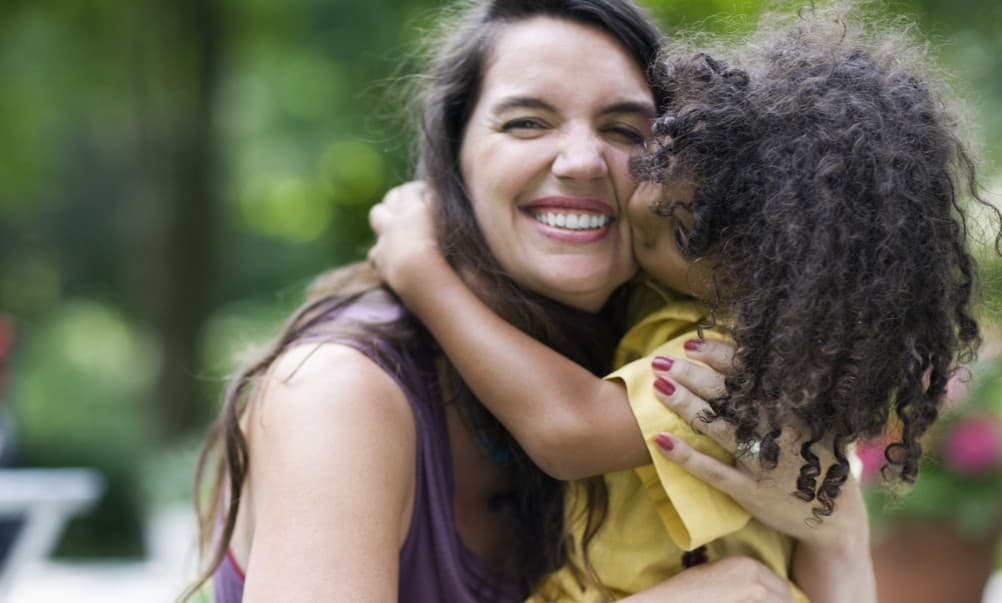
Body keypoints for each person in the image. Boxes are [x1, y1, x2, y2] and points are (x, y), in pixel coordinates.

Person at [185, 0, 875, 601]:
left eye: (626, 130)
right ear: (454, 158)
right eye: (526, 122)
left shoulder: (663, 345)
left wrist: (839, 536)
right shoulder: (342, 392)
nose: (580, 160)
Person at [368, 2, 999, 601]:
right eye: (668, 162)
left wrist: (423, 272)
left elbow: (569, 430)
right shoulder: (663, 295)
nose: (644, 201)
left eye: (688, 226)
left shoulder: (731, 365)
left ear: (768, 269)